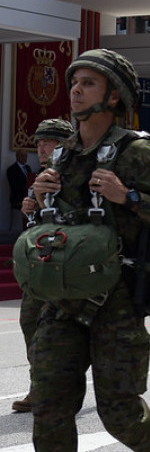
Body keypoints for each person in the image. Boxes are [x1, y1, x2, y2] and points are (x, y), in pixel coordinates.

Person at [29, 48, 150, 451]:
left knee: (120, 412)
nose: (76, 90)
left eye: (89, 83)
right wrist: (36, 201)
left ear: (114, 95)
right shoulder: (64, 155)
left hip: (116, 302)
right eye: (75, 82)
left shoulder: (136, 153)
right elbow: (53, 225)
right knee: (49, 408)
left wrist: (130, 197)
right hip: (63, 300)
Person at [12, 119, 75, 414]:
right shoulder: (41, 175)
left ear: (63, 144)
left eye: (47, 142)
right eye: (38, 143)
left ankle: (54, 387)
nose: (41, 147)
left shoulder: (74, 177)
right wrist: (30, 208)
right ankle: (39, 386)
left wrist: (42, 203)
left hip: (66, 266)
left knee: (60, 332)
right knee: (29, 322)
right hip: (41, 265)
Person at [7, 149, 33, 232]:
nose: (24, 158)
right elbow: (15, 186)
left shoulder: (28, 168)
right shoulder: (11, 169)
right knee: (16, 228)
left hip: (28, 200)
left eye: (26, 156)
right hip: (18, 201)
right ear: (17, 156)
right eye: (22, 155)